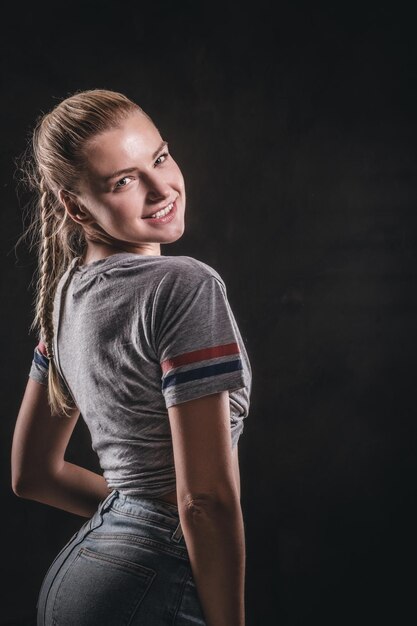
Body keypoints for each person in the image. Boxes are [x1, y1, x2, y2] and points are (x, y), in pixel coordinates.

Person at [11, 88, 252, 626]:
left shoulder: (65, 296)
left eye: (160, 158)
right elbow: (203, 501)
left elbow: (33, 474)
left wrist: (133, 510)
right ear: (75, 206)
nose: (161, 188)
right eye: (123, 181)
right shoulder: (185, 286)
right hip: (148, 582)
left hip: (81, 578)